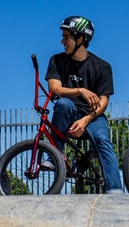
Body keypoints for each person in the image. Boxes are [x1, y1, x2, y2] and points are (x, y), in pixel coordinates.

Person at [46, 15, 124, 193]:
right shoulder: (56, 60)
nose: (62, 41)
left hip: (92, 117)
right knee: (63, 104)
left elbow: (103, 102)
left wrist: (85, 121)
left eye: (66, 37)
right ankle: (54, 157)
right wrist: (80, 90)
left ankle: (115, 190)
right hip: (68, 114)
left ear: (80, 39)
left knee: (103, 140)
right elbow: (54, 88)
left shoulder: (102, 67)